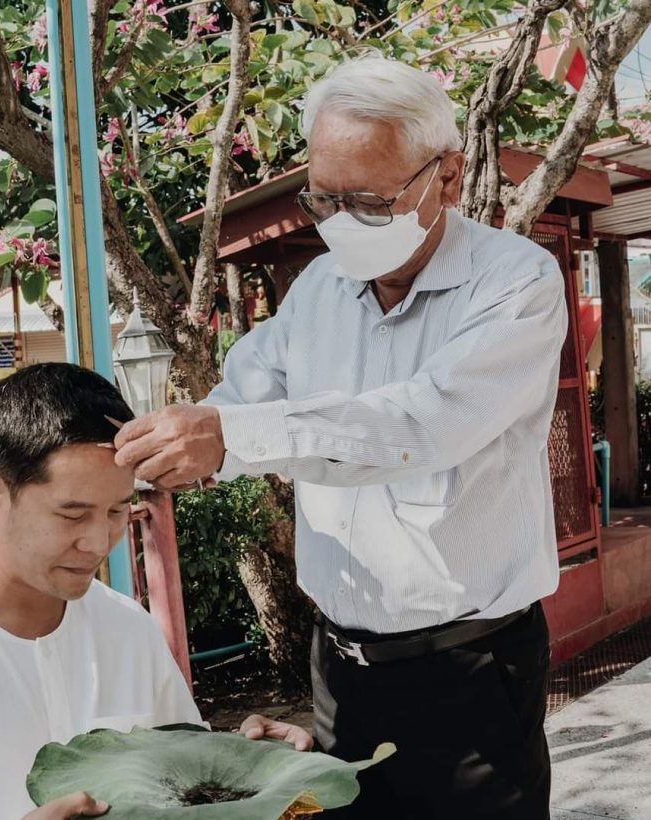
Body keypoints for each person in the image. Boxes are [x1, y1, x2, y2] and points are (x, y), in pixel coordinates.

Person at [112, 56, 568, 820]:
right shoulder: (318, 291)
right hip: (340, 672)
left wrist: (229, 437)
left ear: (447, 177)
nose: (339, 221)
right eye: (324, 198)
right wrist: (155, 446)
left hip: (471, 676)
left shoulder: (514, 283)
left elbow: (420, 424)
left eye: (368, 201)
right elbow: (243, 396)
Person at [0, 363, 311, 820]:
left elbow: (182, 785)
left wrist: (251, 769)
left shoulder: (127, 630)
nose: (98, 542)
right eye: (72, 514)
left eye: (117, 511)